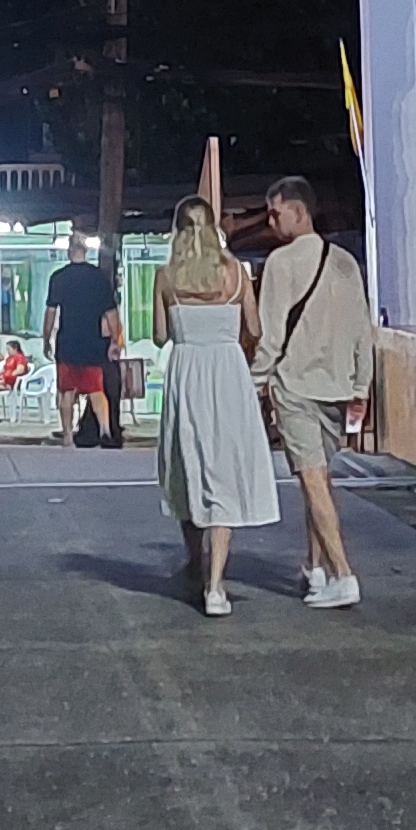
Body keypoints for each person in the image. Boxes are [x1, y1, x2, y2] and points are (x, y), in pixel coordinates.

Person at [151, 195, 278, 612]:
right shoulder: (237, 274)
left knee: (188, 463)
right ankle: (217, 586)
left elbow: (158, 336)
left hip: (187, 371)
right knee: (222, 468)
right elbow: (255, 328)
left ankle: (195, 560)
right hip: (227, 374)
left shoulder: (166, 276)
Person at [253, 176, 371, 609]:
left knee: (312, 479)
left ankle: (342, 573)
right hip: (337, 387)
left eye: (276, 211)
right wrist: (362, 384)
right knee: (317, 478)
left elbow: (271, 333)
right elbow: (363, 330)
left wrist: (257, 379)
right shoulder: (345, 262)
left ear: (298, 211)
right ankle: (315, 568)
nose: (271, 220)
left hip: (296, 385)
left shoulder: (281, 264)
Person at [43, 238, 124, 444]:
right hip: (93, 341)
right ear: (86, 251)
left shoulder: (58, 278)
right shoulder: (98, 277)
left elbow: (51, 313)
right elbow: (111, 313)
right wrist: (115, 340)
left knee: (67, 391)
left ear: (70, 252)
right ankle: (105, 431)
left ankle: (68, 435)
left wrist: (46, 339)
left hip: (68, 341)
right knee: (96, 389)